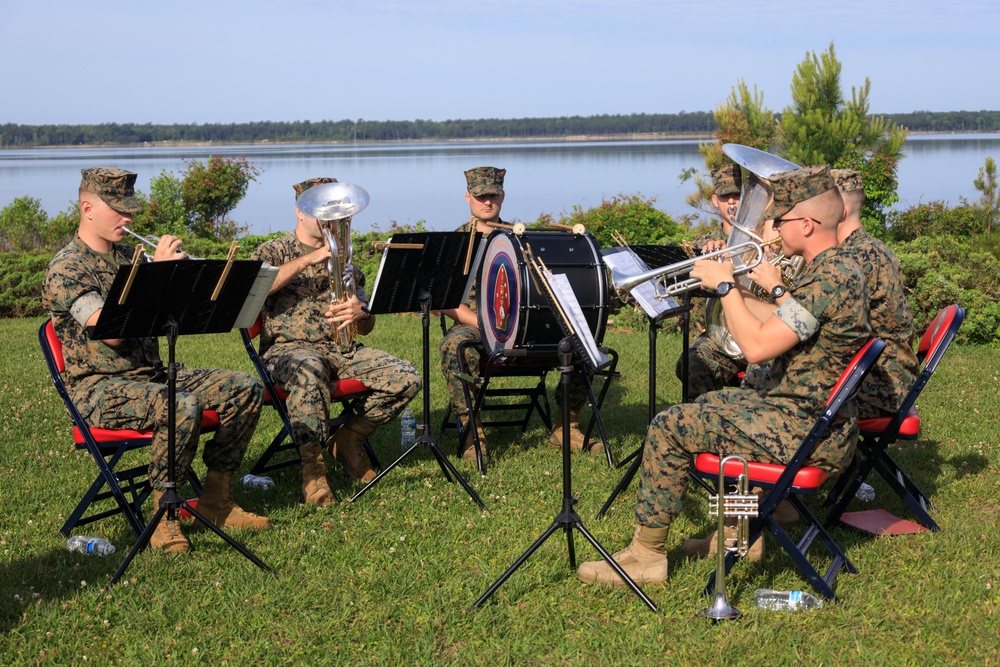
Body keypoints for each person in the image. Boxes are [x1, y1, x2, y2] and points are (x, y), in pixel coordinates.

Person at [576, 165, 871, 587]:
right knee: (707, 405)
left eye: (782, 220)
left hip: (804, 428)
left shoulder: (829, 277)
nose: (774, 227)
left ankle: (646, 557)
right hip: (816, 419)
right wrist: (756, 289)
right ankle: (739, 536)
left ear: (806, 224)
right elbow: (788, 322)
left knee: (670, 425)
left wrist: (726, 287)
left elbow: (754, 348)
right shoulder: (834, 268)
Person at [43, 167, 270, 555]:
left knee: (245, 389)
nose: (128, 219)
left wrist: (184, 281)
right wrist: (159, 277)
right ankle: (164, 514)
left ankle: (216, 497)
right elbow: (109, 330)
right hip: (99, 387)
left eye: (130, 210)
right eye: (118, 210)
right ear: (87, 208)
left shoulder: (129, 259)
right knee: (179, 404)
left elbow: (172, 316)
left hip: (150, 375)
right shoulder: (67, 268)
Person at [251, 177, 421, 506]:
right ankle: (313, 471)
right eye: (321, 210)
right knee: (310, 369)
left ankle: (350, 438)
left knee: (407, 377)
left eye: (336, 211)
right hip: (288, 351)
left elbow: (367, 328)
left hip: (342, 349)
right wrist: (310, 258)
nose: (331, 218)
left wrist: (362, 313)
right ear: (300, 211)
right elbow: (254, 292)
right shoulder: (274, 250)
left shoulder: (347, 263)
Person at [438, 167, 589, 460]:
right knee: (453, 346)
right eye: (480, 196)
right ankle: (472, 432)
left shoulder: (520, 237)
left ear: (502, 196)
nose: (487, 202)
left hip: (523, 324)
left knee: (581, 341)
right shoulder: (456, 242)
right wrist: (486, 325)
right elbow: (444, 302)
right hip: (476, 325)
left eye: (493, 195)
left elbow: (543, 285)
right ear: (468, 197)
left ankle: (565, 426)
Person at [675, 164, 747, 400]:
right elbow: (685, 289)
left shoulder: (765, 238)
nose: (733, 202)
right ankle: (698, 423)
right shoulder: (704, 243)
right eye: (726, 197)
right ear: (715, 201)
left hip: (761, 328)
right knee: (691, 363)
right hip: (721, 333)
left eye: (738, 195)